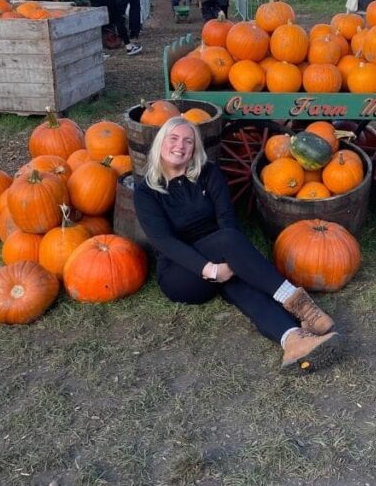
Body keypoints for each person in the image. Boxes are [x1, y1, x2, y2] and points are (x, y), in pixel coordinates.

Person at [134, 117, 340, 371]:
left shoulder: (208, 173)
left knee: (243, 286)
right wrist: (211, 269)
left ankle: (293, 339)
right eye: (173, 138)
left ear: (195, 148)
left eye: (188, 140)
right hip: (183, 275)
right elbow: (164, 242)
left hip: (224, 256)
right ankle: (304, 307)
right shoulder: (146, 191)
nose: (180, 145)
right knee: (228, 241)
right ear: (160, 144)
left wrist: (230, 264)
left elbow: (226, 218)